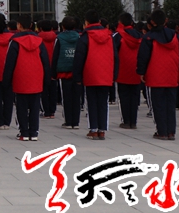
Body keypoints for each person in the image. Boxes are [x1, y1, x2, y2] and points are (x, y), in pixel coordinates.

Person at [137, 9, 179, 140]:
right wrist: (176, 68)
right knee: (170, 105)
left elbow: (143, 57)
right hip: (171, 74)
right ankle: (171, 132)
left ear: (152, 22)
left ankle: (161, 131)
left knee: (158, 105)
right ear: (165, 20)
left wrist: (141, 72)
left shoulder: (149, 37)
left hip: (155, 75)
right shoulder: (175, 36)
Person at [73, 11, 118, 140]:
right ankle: (102, 129)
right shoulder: (109, 36)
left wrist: (77, 76)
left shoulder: (85, 36)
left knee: (91, 102)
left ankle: (93, 129)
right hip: (106, 73)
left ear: (86, 22)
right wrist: (114, 74)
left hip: (90, 73)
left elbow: (79, 57)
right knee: (103, 102)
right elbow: (115, 56)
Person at [3, 16, 49, 141]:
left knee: (21, 106)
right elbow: (45, 61)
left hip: (20, 76)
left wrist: (6, 80)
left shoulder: (15, 41)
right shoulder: (39, 41)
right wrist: (46, 78)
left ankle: (24, 132)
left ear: (19, 25)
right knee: (35, 106)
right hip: (36, 76)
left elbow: (9, 63)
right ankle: (34, 132)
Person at [113, 12, 142, 130]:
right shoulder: (139, 36)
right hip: (136, 70)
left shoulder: (118, 36)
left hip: (122, 70)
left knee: (124, 96)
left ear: (120, 22)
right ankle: (133, 121)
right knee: (135, 97)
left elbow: (113, 53)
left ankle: (126, 121)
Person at [51, 17, 80, 129]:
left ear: (62, 26)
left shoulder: (59, 38)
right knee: (77, 97)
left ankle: (68, 121)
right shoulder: (79, 37)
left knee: (66, 97)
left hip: (64, 71)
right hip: (76, 71)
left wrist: (53, 73)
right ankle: (76, 122)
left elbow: (55, 56)